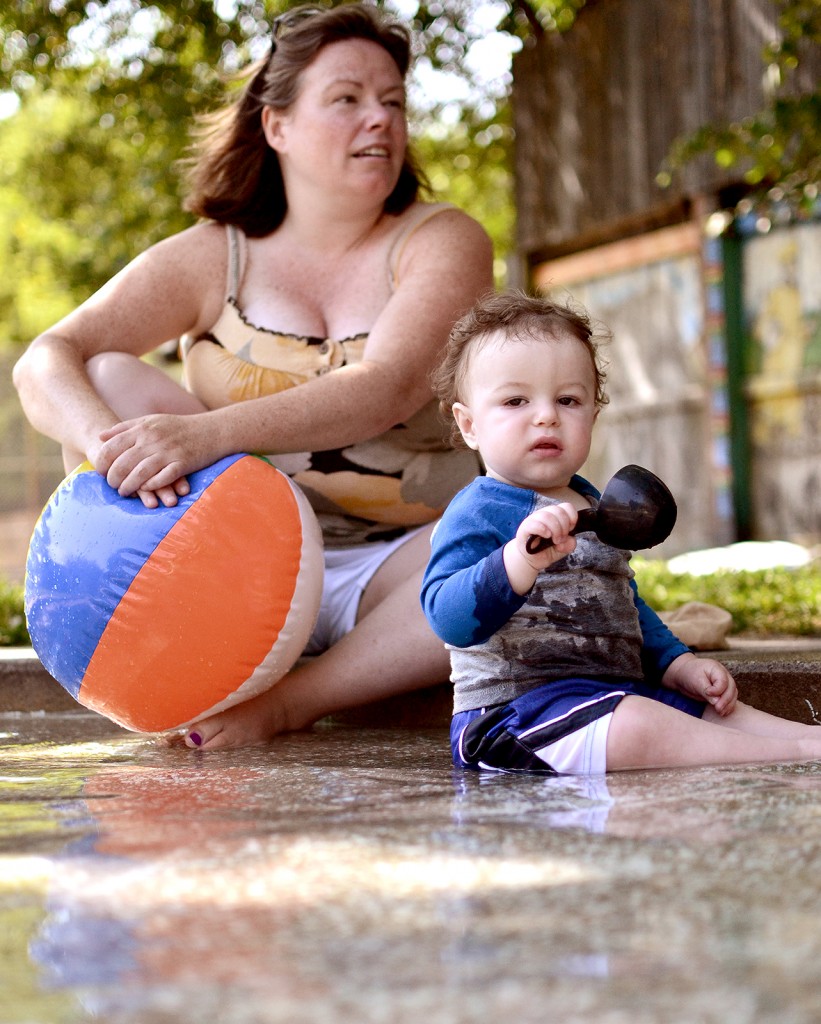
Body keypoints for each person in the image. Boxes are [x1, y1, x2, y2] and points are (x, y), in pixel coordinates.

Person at [13, 3, 493, 749]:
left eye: (393, 101)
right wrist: (107, 445)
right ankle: (198, 650)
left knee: (507, 541)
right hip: (235, 571)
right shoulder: (213, 255)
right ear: (277, 126)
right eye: (347, 99)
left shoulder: (442, 239)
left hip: (403, 572)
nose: (381, 120)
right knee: (106, 374)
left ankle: (288, 701)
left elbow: (388, 385)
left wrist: (201, 435)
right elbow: (47, 358)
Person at [421, 291, 821, 773]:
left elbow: (623, 604)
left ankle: (804, 738)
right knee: (639, 726)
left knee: (721, 713)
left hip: (614, 696)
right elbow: (447, 617)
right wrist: (517, 562)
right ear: (470, 426)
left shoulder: (595, 503)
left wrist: (678, 664)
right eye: (515, 400)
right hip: (514, 717)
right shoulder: (478, 510)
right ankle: (791, 756)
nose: (546, 415)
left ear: (592, 414)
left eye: (568, 400)